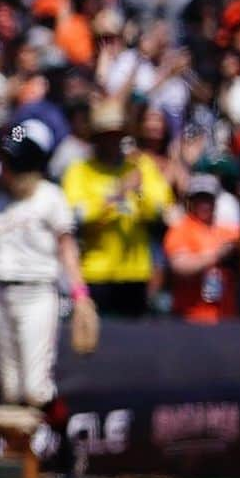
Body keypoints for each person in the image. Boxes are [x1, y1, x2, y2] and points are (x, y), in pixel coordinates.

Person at [0, 121, 95, 466]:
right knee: (11, 392)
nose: (8, 168)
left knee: (36, 388)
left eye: (14, 162)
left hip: (37, 292)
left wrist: (80, 293)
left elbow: (67, 248)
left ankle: (68, 454)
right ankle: (23, 465)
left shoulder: (50, 197)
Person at [61, 98, 175, 317]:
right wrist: (115, 196)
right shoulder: (80, 171)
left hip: (135, 272)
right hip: (96, 271)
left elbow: (162, 210)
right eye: (106, 136)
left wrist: (139, 193)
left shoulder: (141, 167)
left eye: (117, 136)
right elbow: (76, 216)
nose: (112, 142)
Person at [162, 174, 240, 323]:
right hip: (192, 317)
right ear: (191, 202)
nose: (204, 205)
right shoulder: (180, 230)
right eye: (199, 199)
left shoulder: (228, 232)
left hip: (226, 316)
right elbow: (180, 266)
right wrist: (217, 256)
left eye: (208, 199)